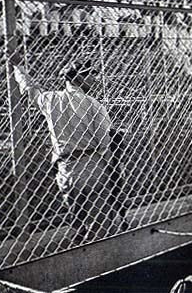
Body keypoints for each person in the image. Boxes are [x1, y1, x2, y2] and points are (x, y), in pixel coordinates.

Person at [11, 54, 122, 243]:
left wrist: (18, 69)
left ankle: (80, 238)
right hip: (93, 164)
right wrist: (114, 171)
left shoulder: (51, 100)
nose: (94, 79)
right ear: (78, 77)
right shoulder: (94, 105)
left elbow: (30, 90)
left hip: (66, 167)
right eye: (90, 75)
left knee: (77, 218)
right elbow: (105, 143)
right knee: (101, 222)